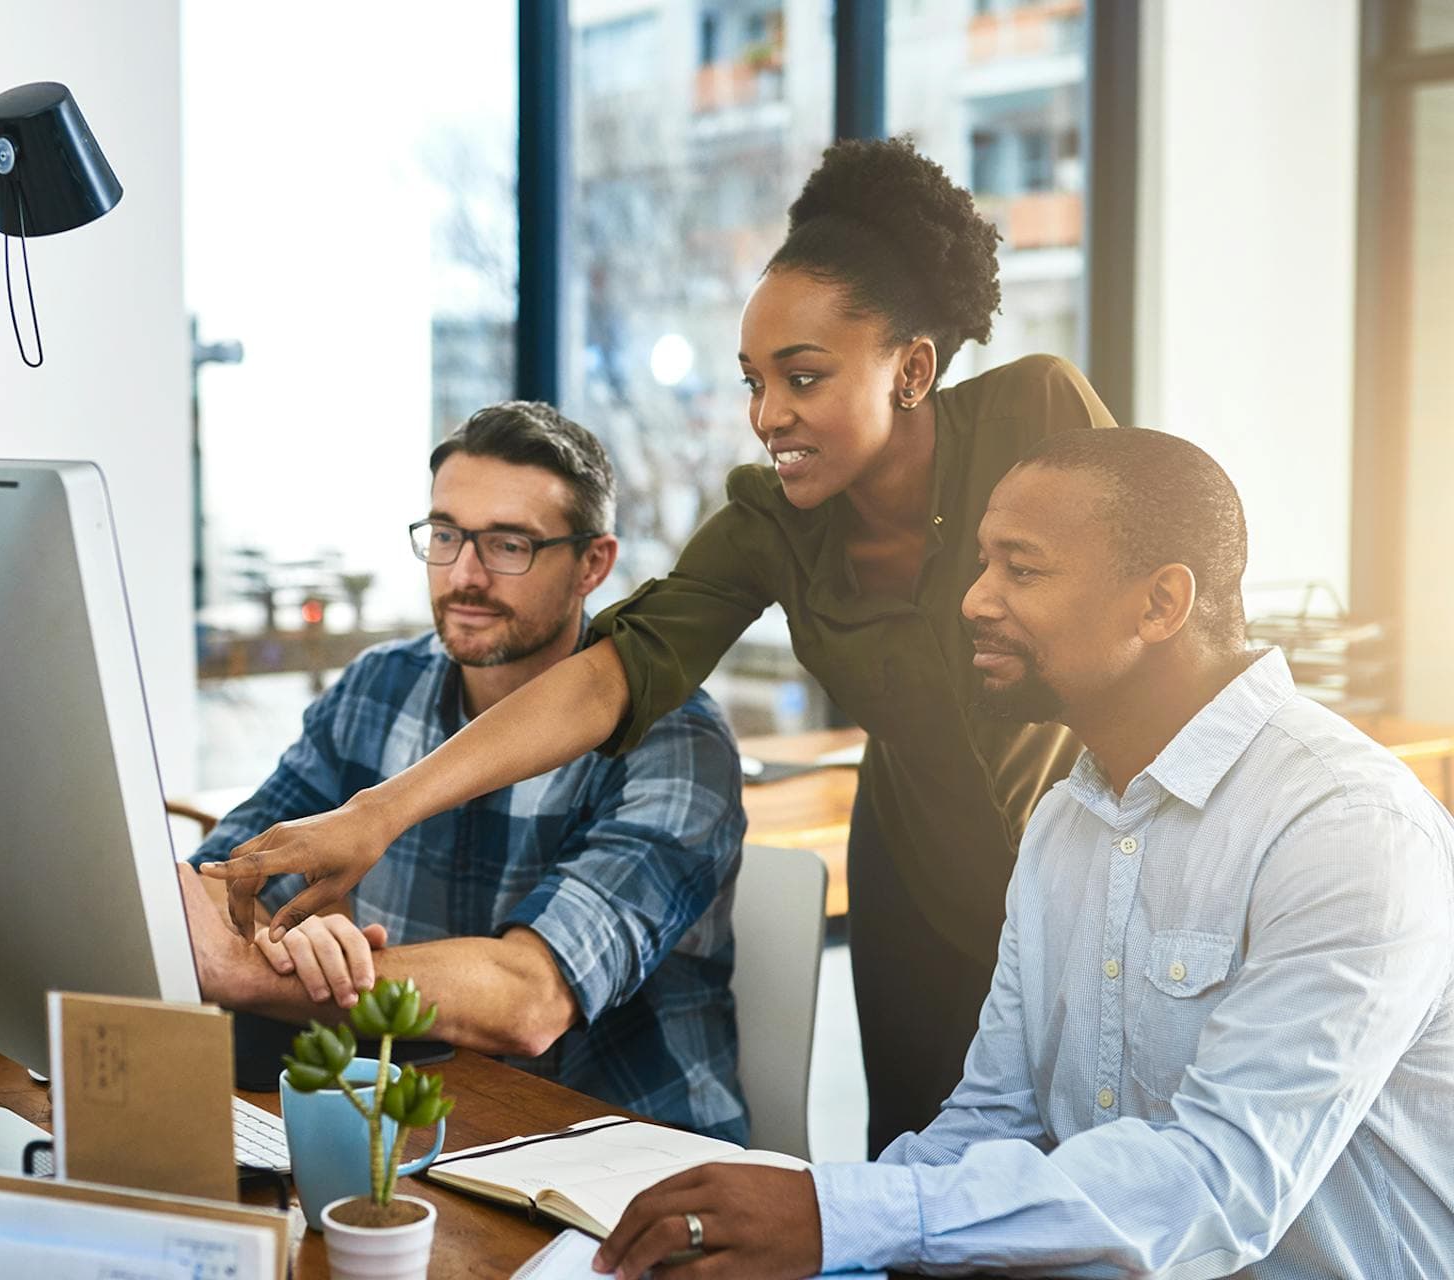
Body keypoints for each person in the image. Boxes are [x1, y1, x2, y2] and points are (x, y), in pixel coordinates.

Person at [204, 136, 1118, 1150]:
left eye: (803, 377)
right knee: (928, 1156)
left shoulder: (1035, 413)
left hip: (1095, 848)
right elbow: (613, 676)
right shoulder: (771, 522)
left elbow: (1150, 607)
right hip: (919, 865)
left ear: (911, 368)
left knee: (1115, 1148)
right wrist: (377, 814)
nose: (768, 415)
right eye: (754, 381)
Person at [594, 428, 1454, 1279]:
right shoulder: (1064, 823)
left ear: (1160, 605)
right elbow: (992, 1122)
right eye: (981, 563)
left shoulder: (1348, 828)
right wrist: (827, 1226)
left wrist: (841, 1217)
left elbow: (1222, 1182)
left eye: (1023, 569)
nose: (974, 599)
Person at [182, 402, 750, 1141]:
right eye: (446, 535)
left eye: (508, 545)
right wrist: (294, 946)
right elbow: (222, 884)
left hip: (624, 1152)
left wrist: (256, 972)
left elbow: (530, 1001)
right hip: (425, 1127)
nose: (464, 575)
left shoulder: (674, 739)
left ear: (593, 564)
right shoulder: (381, 686)